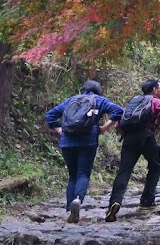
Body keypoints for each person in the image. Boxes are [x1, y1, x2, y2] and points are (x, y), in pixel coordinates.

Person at [104, 78, 160, 222]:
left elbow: (118, 125)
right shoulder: (156, 102)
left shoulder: (134, 101)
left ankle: (114, 202)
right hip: (146, 136)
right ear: (155, 90)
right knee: (155, 167)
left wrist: (128, 136)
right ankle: (147, 202)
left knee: (124, 171)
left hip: (129, 138)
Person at [44, 80, 124, 223]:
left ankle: (69, 210)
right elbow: (119, 111)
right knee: (83, 173)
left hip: (67, 141)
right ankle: (78, 199)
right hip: (88, 141)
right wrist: (104, 128)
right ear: (98, 90)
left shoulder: (71, 100)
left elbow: (50, 115)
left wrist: (59, 130)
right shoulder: (99, 100)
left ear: (83, 89)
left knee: (72, 176)